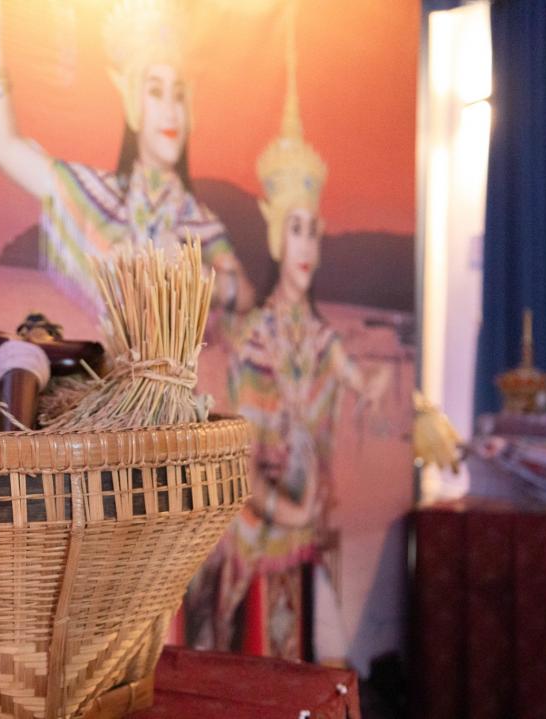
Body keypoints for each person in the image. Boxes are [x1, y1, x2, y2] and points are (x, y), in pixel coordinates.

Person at [186, 14, 390, 660]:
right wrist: (286, 507)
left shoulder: (321, 338)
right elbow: (240, 456)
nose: (306, 245)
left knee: (311, 654)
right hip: (263, 523)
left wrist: (382, 390)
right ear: (277, 234)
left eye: (313, 229)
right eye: (294, 228)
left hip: (306, 527)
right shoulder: (254, 337)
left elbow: (356, 379)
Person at [0, 0, 253, 320]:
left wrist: (196, 276)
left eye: (178, 95)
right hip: (99, 351)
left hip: (176, 354)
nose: (170, 111)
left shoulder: (198, 222)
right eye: (155, 92)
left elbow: (244, 296)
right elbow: (4, 148)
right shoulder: (98, 196)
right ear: (133, 100)